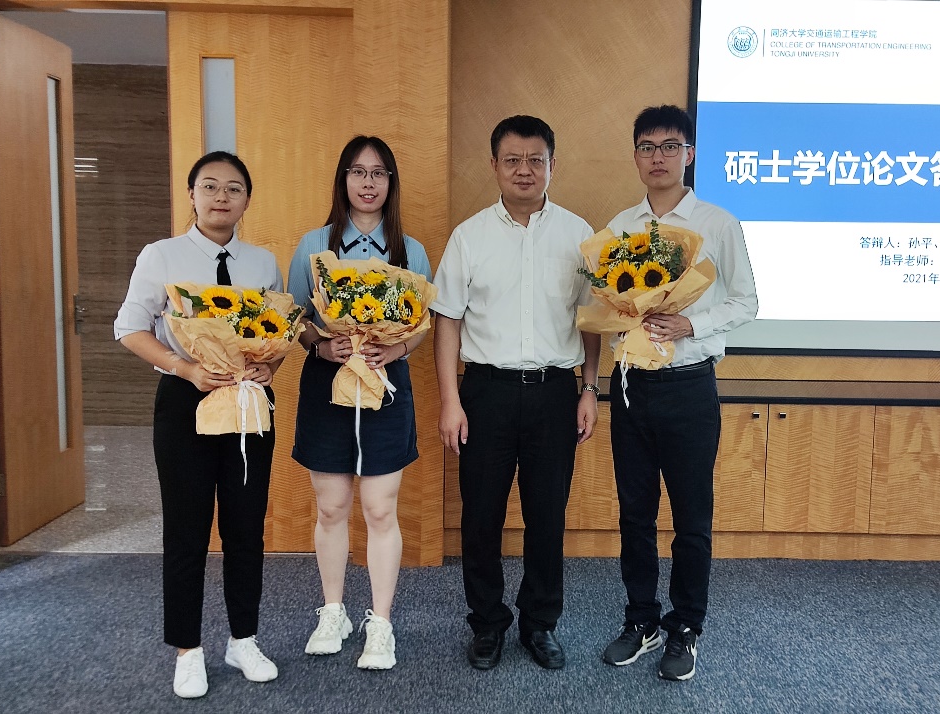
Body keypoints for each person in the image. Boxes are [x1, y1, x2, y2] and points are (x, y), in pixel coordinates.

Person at [433, 115, 601, 671]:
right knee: (480, 516)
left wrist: (589, 389)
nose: (524, 170)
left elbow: (592, 320)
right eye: (512, 160)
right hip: (486, 393)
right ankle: (487, 623)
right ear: (494, 166)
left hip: (555, 393)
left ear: (552, 165)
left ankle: (540, 623)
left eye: (536, 160)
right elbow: (447, 320)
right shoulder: (469, 236)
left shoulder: (579, 234)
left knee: (547, 517)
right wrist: (451, 400)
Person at [115, 151, 284, 698]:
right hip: (184, 401)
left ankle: (244, 639)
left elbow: (275, 336)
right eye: (209, 186)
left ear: (247, 200)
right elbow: (129, 328)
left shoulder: (263, 263)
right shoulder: (161, 255)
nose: (221, 197)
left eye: (233, 188)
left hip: (247, 402)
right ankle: (187, 650)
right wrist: (183, 367)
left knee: (246, 527)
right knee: (187, 530)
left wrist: (270, 366)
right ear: (191, 195)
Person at [599, 105, 758, 682]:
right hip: (631, 387)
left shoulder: (718, 223)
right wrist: (622, 321)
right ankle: (641, 619)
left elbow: (747, 301)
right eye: (647, 147)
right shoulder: (619, 229)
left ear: (689, 154)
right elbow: (603, 304)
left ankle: (686, 626)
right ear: (635, 156)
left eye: (670, 146)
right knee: (634, 514)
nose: (658, 157)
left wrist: (692, 323)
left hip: (690, 387)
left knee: (692, 519)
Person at [287, 136, 431, 671]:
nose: (367, 183)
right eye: (357, 171)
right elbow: (296, 317)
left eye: (378, 173)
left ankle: (381, 623)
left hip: (385, 389)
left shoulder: (409, 251)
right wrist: (320, 346)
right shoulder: (314, 246)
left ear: (390, 182)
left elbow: (422, 323)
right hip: (328, 387)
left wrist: (396, 348)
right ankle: (333, 612)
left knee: (379, 508)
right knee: (331, 507)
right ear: (343, 180)